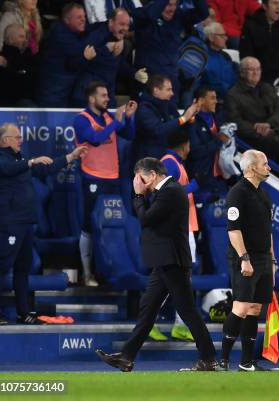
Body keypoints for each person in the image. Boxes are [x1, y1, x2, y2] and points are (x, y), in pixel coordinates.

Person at [96, 157, 222, 372]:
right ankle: (127, 357)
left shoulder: (171, 191)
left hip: (171, 261)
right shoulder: (165, 192)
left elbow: (145, 218)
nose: (140, 183)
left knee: (187, 311)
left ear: (152, 175)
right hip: (163, 261)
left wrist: (138, 194)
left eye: (141, 178)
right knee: (147, 310)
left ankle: (209, 359)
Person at [0, 123, 87, 325]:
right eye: (17, 137)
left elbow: (46, 168)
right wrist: (31, 161)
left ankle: (23, 312)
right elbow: (7, 169)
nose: (21, 140)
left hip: (26, 222)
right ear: (5, 140)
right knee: (1, 266)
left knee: (23, 269)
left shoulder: (20, 159)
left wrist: (70, 157)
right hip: (9, 222)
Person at [73, 81, 137, 287]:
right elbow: (95, 139)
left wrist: (128, 118)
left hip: (113, 178)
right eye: (103, 95)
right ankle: (86, 273)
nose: (107, 99)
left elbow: (129, 134)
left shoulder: (109, 116)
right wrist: (117, 123)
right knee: (89, 225)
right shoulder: (81, 119)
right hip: (92, 178)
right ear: (91, 98)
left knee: (113, 225)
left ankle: (108, 271)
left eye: (107, 95)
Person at [220, 149, 276, 372]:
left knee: (254, 308)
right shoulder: (237, 193)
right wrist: (244, 259)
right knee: (241, 306)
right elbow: (233, 231)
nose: (268, 167)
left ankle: (246, 362)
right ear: (252, 168)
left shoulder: (263, 193)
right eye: (264, 163)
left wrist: (272, 259)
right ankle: (222, 359)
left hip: (263, 258)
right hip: (245, 258)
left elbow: (268, 230)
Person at [155, 130, 200, 342]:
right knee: (173, 279)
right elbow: (164, 192)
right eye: (189, 143)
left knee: (182, 280)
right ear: (183, 144)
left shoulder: (175, 162)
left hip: (185, 227)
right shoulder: (169, 162)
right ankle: (150, 322)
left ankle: (180, 325)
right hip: (178, 230)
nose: (190, 147)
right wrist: (194, 186)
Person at [132, 0, 209, 103]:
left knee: (171, 117)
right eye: (168, 4)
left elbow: (203, 12)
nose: (172, 9)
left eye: (174, 4)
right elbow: (150, 14)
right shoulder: (142, 15)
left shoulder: (179, 16)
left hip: (171, 81)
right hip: (148, 80)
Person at [225, 57, 279, 163]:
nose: (256, 72)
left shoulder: (267, 88)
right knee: (271, 140)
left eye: (258, 69)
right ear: (242, 73)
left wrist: (269, 124)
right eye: (251, 69)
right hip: (251, 137)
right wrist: (256, 128)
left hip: (272, 129)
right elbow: (235, 121)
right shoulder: (233, 94)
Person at [71, 8, 135, 108]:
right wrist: (105, 49)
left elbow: (118, 65)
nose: (125, 28)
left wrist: (134, 74)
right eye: (121, 24)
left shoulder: (118, 38)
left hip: (107, 96)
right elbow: (75, 63)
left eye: (127, 25)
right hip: (88, 96)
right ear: (111, 22)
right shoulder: (95, 36)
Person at [133, 75, 200, 163]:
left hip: (166, 159)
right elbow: (158, 130)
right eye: (168, 89)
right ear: (156, 90)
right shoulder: (144, 109)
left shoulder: (168, 106)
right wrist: (184, 118)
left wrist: (190, 116)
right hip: (148, 163)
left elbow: (177, 126)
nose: (172, 93)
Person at [37, 3, 90, 107]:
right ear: (67, 20)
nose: (83, 20)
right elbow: (80, 49)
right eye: (79, 17)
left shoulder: (71, 30)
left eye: (84, 16)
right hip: (52, 94)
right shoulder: (59, 34)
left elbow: (92, 29)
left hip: (64, 92)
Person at [187, 86, 231, 191]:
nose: (215, 101)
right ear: (201, 100)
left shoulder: (217, 118)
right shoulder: (192, 122)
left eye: (216, 98)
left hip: (220, 177)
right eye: (212, 98)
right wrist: (219, 141)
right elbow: (195, 152)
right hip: (201, 178)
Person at [0, 24, 38, 106]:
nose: (25, 40)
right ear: (10, 39)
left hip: (33, 97)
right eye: (21, 37)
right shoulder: (1, 58)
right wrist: (9, 66)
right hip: (13, 102)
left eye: (25, 37)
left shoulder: (29, 55)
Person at [198, 22, 237, 101]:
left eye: (225, 35)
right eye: (222, 35)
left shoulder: (226, 56)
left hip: (229, 99)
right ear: (211, 37)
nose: (226, 38)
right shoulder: (201, 57)